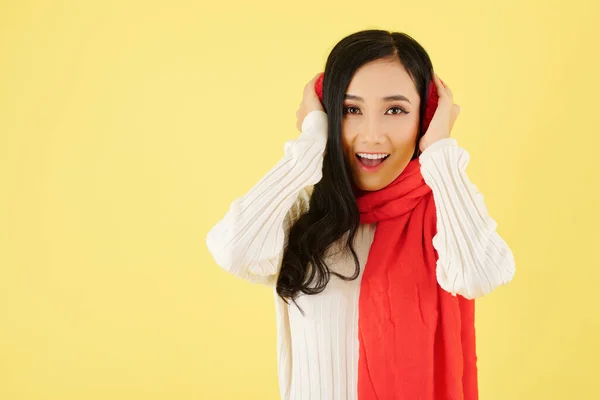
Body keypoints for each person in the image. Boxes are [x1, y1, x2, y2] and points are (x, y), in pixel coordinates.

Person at [206, 29, 515, 400]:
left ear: (425, 118)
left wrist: (441, 153)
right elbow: (232, 250)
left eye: (395, 110)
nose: (371, 135)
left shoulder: (447, 211)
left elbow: (481, 274)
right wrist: (309, 146)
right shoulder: (302, 212)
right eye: (351, 110)